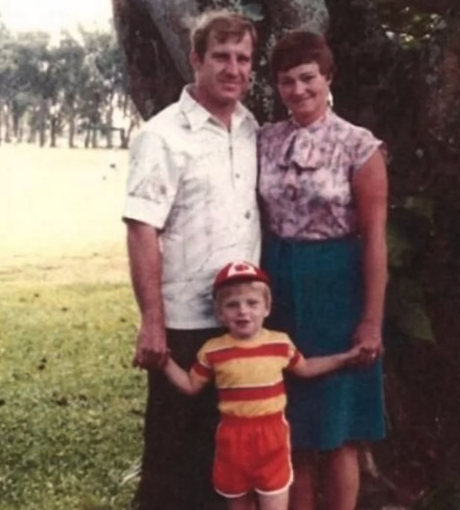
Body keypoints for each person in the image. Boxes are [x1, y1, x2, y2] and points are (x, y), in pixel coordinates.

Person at [123, 10, 261, 510]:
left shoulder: (250, 128)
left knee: (228, 459)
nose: (233, 68)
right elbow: (142, 228)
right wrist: (152, 322)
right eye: (221, 56)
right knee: (173, 459)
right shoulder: (162, 136)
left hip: (242, 321)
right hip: (184, 324)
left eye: (243, 58)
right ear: (196, 59)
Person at [258, 31, 388, 510]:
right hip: (277, 286)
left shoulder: (359, 146)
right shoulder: (265, 140)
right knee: (290, 427)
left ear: (328, 77)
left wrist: (370, 319)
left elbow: (374, 239)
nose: (298, 90)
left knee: (337, 429)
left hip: (337, 287)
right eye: (287, 81)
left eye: (307, 77)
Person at [163, 261, 369, 510]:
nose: (243, 311)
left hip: (272, 437)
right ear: (219, 313)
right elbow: (190, 385)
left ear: (267, 308)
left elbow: (306, 368)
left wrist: (344, 358)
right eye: (232, 305)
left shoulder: (280, 344)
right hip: (233, 439)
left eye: (252, 303)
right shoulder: (213, 350)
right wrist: (164, 362)